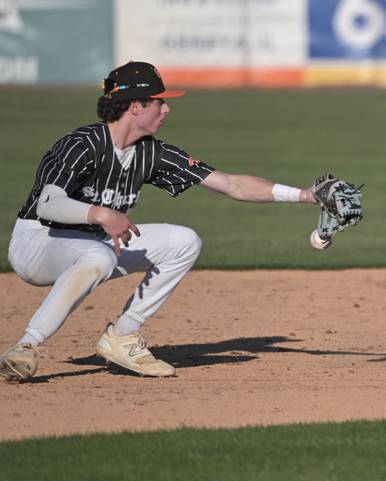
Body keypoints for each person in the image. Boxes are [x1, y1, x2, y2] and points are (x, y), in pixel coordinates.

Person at [1, 61, 320, 380]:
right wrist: (101, 214)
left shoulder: (151, 153)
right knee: (98, 255)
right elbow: (47, 203)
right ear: (136, 107)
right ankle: (26, 346)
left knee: (183, 242)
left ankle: (122, 336)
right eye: (160, 101)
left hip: (92, 241)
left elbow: (231, 184)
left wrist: (305, 195)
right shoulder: (81, 144)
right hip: (38, 243)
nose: (166, 109)